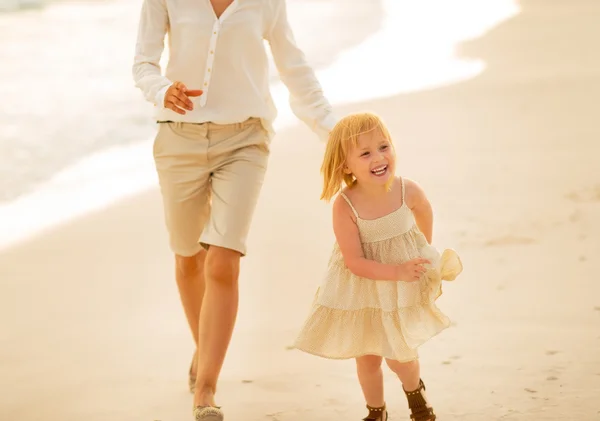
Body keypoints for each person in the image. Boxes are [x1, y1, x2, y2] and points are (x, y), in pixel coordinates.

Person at [131, 0, 337, 419]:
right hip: (178, 140)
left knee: (223, 261)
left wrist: (334, 132)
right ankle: (203, 352)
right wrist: (161, 89)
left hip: (245, 141)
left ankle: (205, 390)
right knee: (188, 258)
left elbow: (293, 66)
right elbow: (143, 64)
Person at [293, 112, 463, 421]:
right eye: (366, 153)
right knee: (368, 358)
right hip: (362, 290)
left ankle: (416, 397)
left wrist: (422, 249)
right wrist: (394, 271)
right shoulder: (345, 205)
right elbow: (354, 262)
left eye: (384, 147)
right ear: (346, 165)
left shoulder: (406, 190)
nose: (379, 157)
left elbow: (424, 211)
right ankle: (376, 411)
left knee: (400, 356)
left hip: (399, 289)